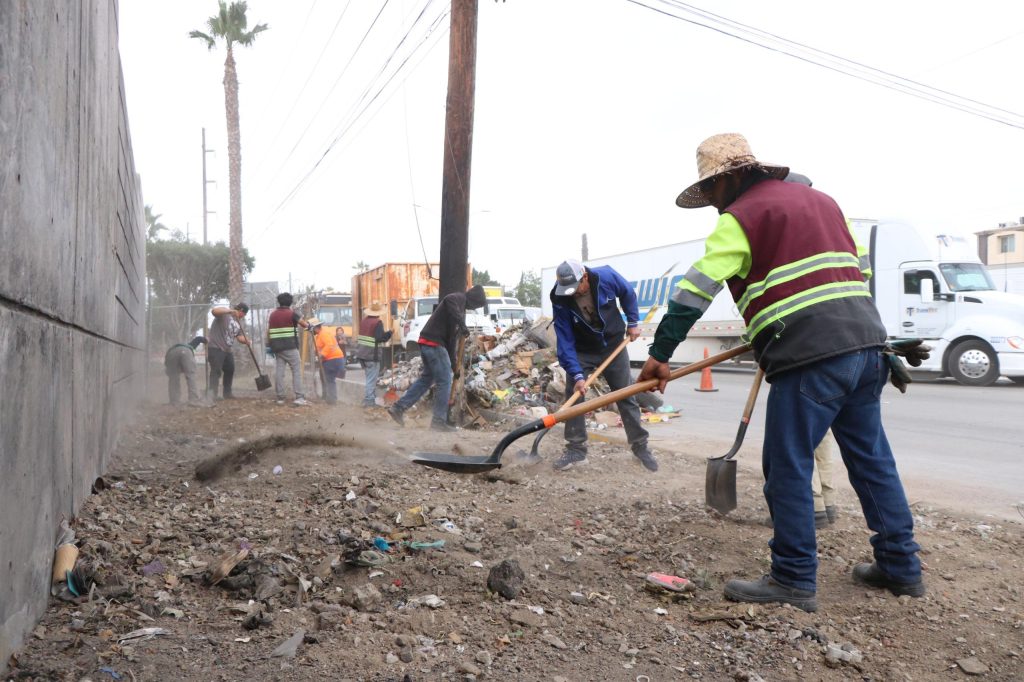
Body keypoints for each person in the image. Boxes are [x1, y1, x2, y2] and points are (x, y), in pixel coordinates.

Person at [638, 133, 924, 612]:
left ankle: (793, 577)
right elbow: (859, 272)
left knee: (788, 466)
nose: (712, 202)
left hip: (811, 359)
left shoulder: (741, 218)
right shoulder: (827, 203)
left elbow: (695, 291)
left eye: (711, 190)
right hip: (866, 347)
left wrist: (661, 352)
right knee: (872, 461)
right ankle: (901, 567)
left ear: (730, 178)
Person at [549, 259, 657, 472]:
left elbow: (627, 293)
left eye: (575, 288)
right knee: (574, 396)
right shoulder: (560, 296)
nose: (572, 293)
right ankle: (576, 451)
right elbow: (564, 338)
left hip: (613, 345)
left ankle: (640, 447)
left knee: (625, 394)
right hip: (583, 350)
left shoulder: (605, 277)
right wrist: (577, 374)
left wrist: (633, 322)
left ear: (584, 277)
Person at [388, 285, 487, 431]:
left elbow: (451, 343)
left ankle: (398, 408)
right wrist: (462, 325)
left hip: (428, 343)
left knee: (426, 380)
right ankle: (438, 421)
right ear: (473, 300)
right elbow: (448, 300)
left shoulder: (459, 310)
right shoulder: (458, 298)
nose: (473, 308)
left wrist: (454, 366)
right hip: (434, 344)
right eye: (476, 305)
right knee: (444, 381)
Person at [267, 292, 309, 406]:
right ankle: (299, 396)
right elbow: (304, 324)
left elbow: (269, 330)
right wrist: (310, 326)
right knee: (296, 370)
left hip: (277, 347)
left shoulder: (273, 315)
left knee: (279, 372)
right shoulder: (292, 313)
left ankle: (280, 397)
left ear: (279, 302)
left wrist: (269, 345)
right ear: (290, 302)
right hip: (290, 346)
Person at [208, 302, 250, 400]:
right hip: (215, 347)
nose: (243, 317)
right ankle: (212, 394)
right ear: (241, 311)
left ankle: (227, 393)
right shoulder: (224, 315)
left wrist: (247, 341)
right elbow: (214, 311)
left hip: (227, 350)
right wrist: (230, 311)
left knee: (230, 369)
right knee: (216, 371)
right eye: (244, 314)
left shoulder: (237, 323)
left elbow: (239, 337)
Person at [355, 301, 392, 408]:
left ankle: (370, 398)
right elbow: (380, 338)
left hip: (362, 354)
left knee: (369, 378)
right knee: (371, 379)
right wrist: (390, 333)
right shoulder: (377, 323)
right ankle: (369, 401)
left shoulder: (364, 321)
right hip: (372, 355)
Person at [308, 316, 346, 405]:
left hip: (332, 359)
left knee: (329, 380)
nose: (310, 332)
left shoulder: (323, 334)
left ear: (315, 328)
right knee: (326, 378)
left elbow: (329, 345)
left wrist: (321, 355)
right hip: (333, 359)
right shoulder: (320, 334)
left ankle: (331, 400)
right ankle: (327, 397)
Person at [164, 336, 207, 405]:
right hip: (185, 352)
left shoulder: (175, 348)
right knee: (191, 375)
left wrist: (171, 372)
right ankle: (193, 399)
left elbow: (167, 365)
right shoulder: (189, 347)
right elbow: (198, 339)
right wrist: (206, 340)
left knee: (173, 377)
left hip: (171, 354)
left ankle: (174, 400)